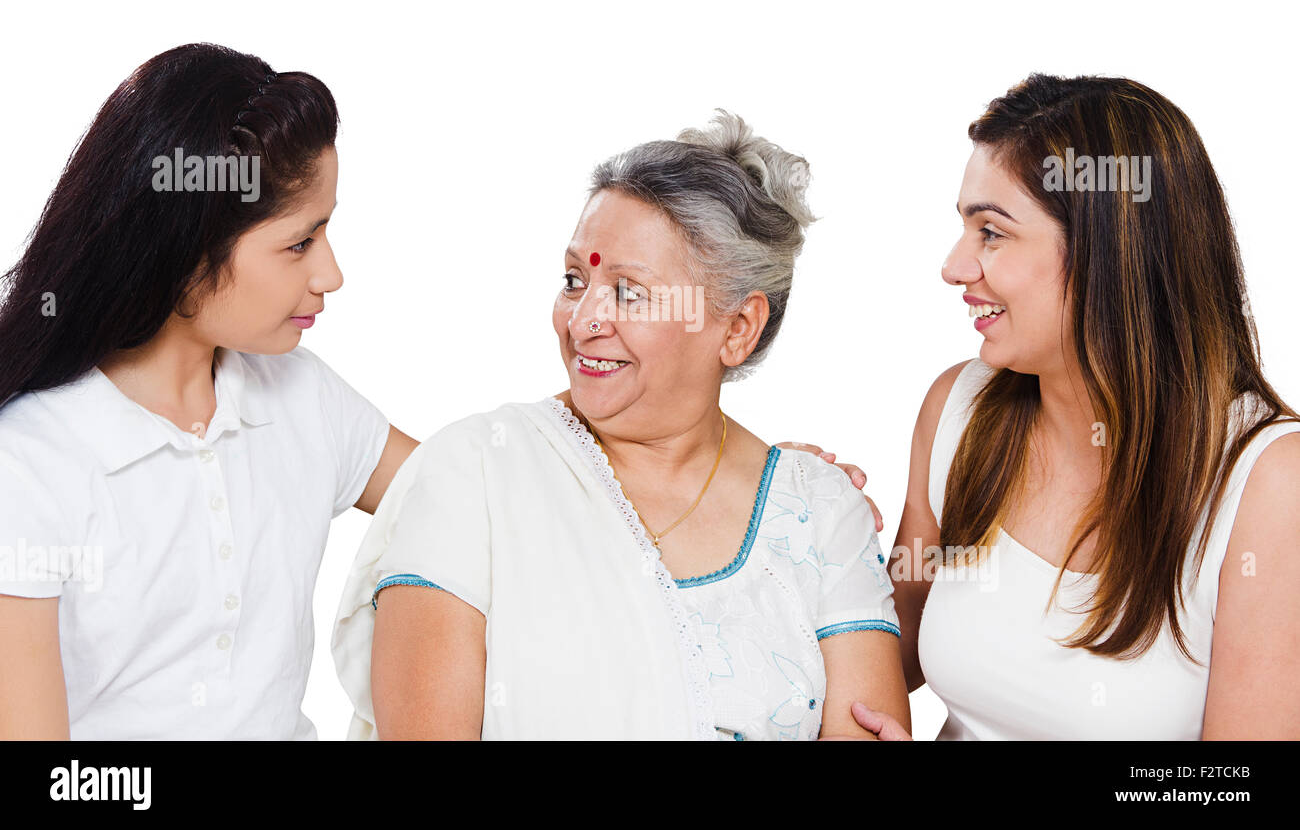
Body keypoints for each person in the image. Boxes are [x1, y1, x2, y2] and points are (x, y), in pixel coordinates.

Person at [332, 112, 910, 739]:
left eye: (629, 292)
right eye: (575, 280)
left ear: (738, 328)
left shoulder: (819, 511)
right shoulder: (474, 472)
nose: (582, 322)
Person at [853, 74, 1300, 740]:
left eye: (993, 233)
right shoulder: (958, 410)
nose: (954, 266)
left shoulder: (1270, 487)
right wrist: (805, 527)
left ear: (1108, 251)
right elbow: (891, 645)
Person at [0, 43, 419, 738]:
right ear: (185, 252)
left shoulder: (300, 395)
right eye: (299, 243)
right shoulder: (30, 464)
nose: (331, 274)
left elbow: (469, 497)